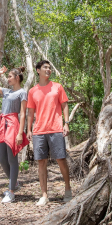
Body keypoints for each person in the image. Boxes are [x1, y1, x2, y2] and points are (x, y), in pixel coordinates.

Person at [27, 60, 72, 206]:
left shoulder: (57, 87)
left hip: (56, 128)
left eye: (49, 68)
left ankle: (68, 190)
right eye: (45, 67)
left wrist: (66, 123)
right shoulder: (33, 91)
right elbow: (30, 112)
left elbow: (64, 104)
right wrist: (28, 129)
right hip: (39, 131)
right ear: (38, 70)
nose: (48, 70)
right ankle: (44, 195)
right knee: (41, 162)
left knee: (61, 159)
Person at [0, 66, 29, 204]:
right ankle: (14, 183)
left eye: (10, 76)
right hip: (2, 125)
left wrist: (20, 133)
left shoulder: (22, 93)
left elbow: (23, 114)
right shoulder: (6, 91)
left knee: (12, 159)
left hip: (13, 125)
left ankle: (11, 192)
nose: (8, 79)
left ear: (17, 78)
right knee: (2, 158)